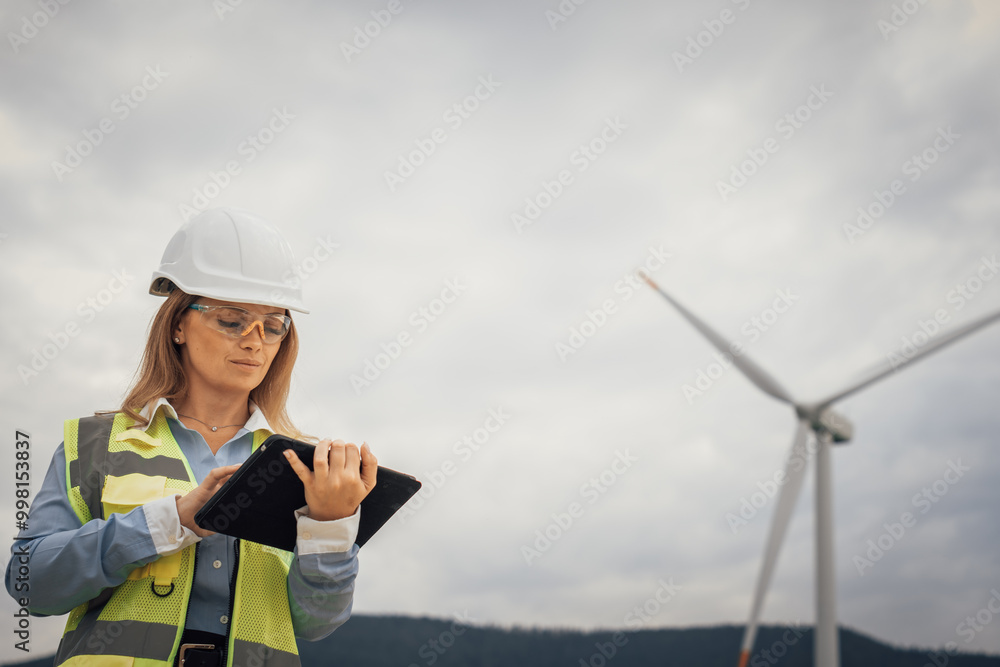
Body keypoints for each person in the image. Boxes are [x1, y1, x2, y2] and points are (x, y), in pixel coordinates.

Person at [5, 208, 377, 666]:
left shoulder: (303, 467)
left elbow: (316, 623)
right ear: (179, 324)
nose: (254, 341)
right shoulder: (96, 445)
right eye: (231, 320)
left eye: (273, 325)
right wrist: (172, 521)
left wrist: (329, 528)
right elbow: (30, 585)